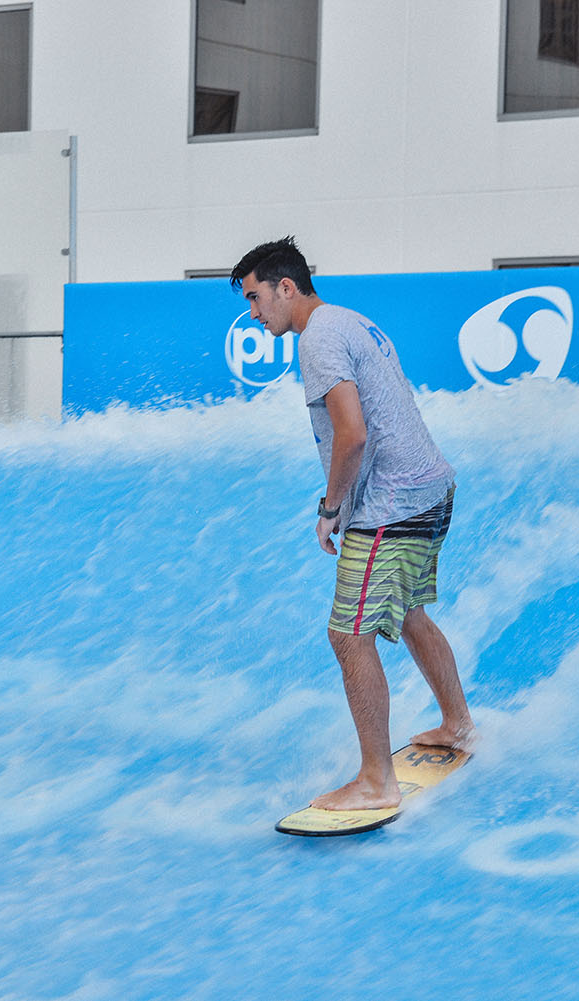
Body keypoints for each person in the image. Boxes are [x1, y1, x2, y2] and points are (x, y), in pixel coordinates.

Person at [231, 236, 474, 812]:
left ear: (285, 287)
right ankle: (458, 724)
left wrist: (332, 506)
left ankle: (375, 782)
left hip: (393, 506)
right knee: (409, 614)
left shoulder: (317, 338)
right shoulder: (349, 320)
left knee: (349, 634)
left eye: (256, 298)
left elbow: (353, 432)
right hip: (432, 489)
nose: (254, 313)